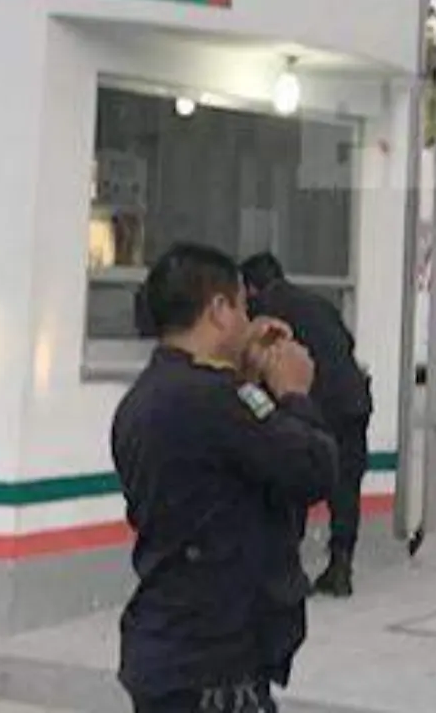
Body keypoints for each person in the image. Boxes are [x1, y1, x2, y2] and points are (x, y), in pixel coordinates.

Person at [113, 243, 338, 713]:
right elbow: (312, 467)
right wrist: (294, 393)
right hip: (212, 661)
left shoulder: (147, 397)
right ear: (218, 310)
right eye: (241, 309)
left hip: (169, 645)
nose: (248, 323)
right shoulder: (212, 400)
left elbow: (234, 461)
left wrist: (247, 377)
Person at [240, 252, 375, 598]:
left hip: (316, 402)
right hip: (354, 399)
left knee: (293, 480)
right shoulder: (318, 303)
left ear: (251, 288)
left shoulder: (265, 312)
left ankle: (289, 568)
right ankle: (341, 567)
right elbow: (347, 342)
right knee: (346, 486)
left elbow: (260, 360)